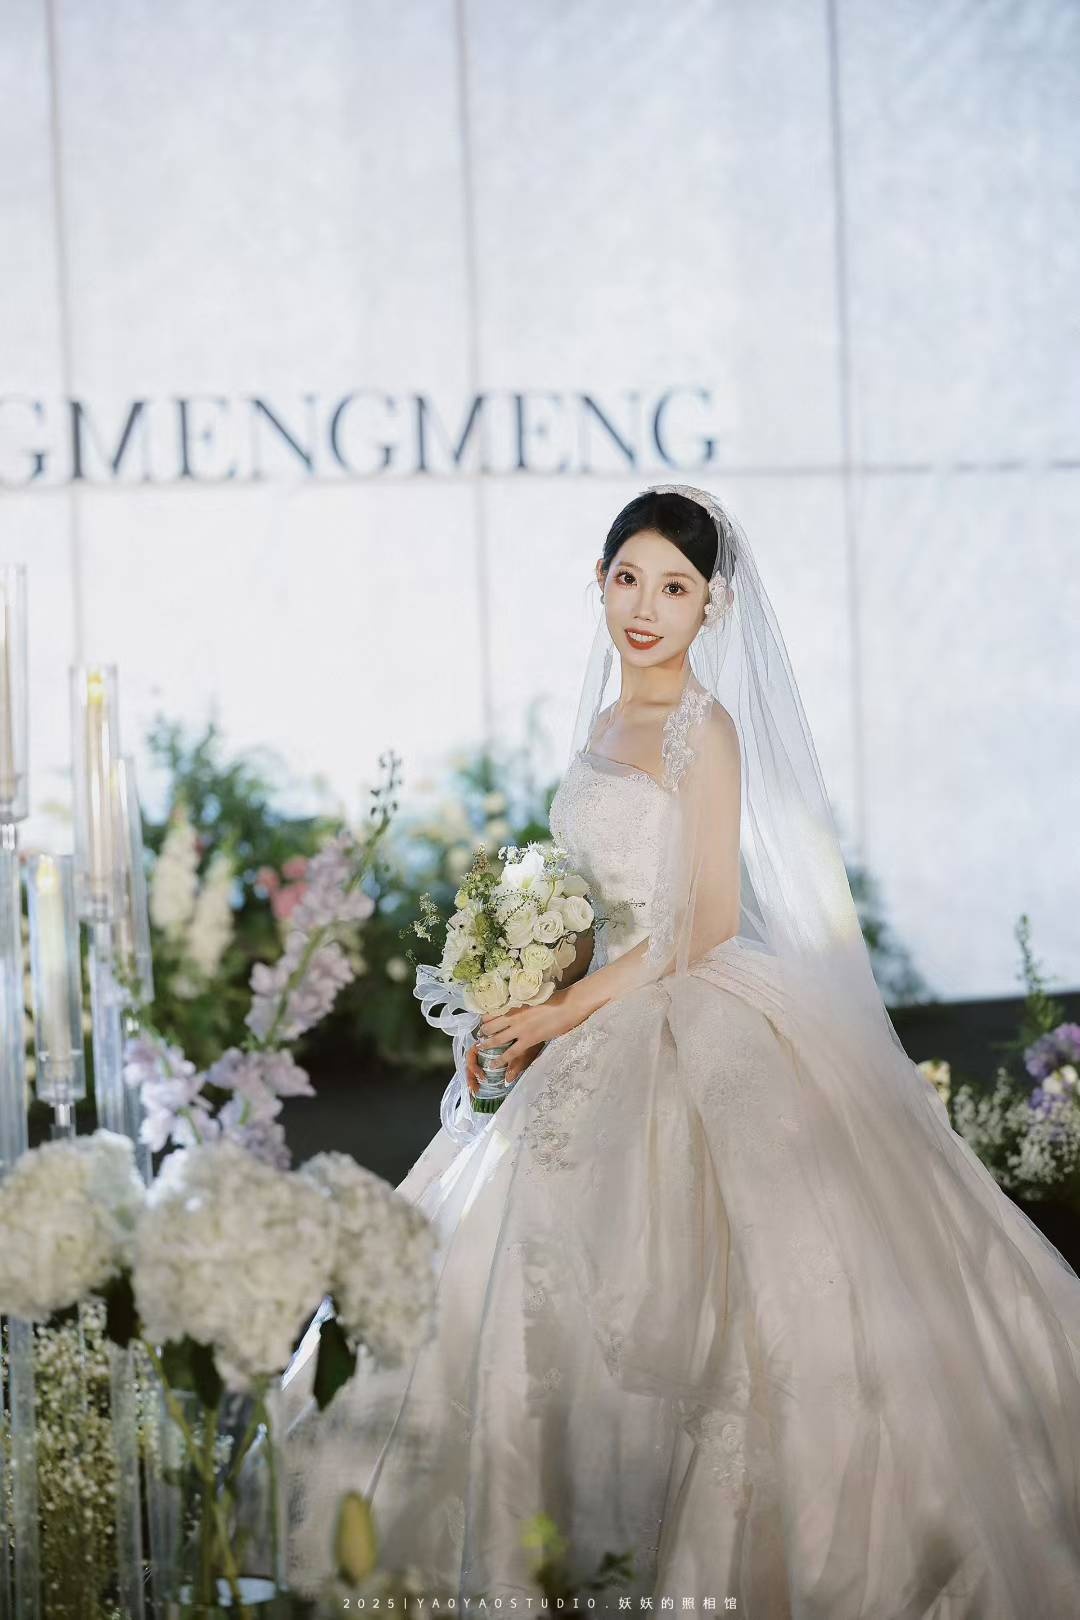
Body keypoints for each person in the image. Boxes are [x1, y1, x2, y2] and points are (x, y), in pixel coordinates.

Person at [282, 484, 1080, 1614]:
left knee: (735, 1288)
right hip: (594, 1007)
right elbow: (586, 904)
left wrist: (563, 1012)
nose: (646, 609)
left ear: (712, 605)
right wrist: (514, 1002)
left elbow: (699, 925)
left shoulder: (705, 729)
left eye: (674, 587)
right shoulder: (603, 723)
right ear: (600, 583)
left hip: (691, 1009)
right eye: (628, 579)